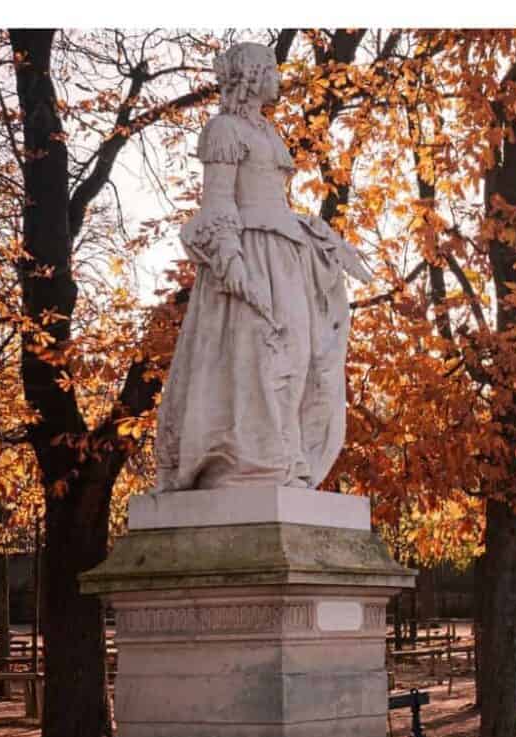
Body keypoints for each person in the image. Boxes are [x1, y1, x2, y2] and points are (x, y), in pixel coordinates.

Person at [153, 41, 373, 494]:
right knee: (257, 355)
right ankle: (251, 463)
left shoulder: (267, 132)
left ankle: (284, 457)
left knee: (296, 353)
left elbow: (273, 201)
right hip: (250, 254)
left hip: (284, 255)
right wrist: (229, 257)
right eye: (271, 69)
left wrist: (316, 233)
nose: (279, 77)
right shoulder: (223, 129)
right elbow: (217, 201)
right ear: (253, 75)